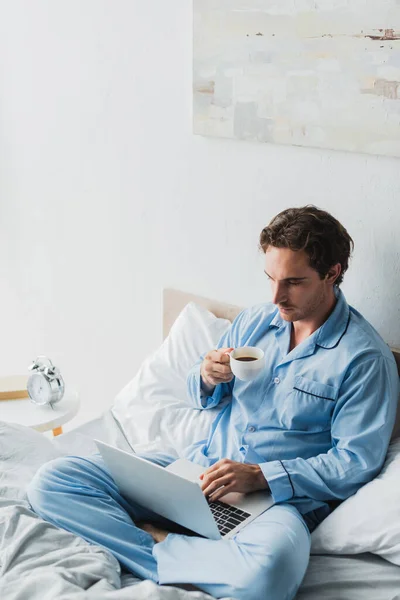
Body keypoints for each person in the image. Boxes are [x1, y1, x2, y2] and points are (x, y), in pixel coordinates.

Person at [27, 206, 399, 600]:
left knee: (267, 577)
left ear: (332, 273)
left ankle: (157, 547)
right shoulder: (254, 322)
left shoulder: (364, 359)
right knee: (51, 483)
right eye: (270, 279)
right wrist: (205, 377)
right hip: (193, 474)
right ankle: (168, 553)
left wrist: (260, 475)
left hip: (274, 505)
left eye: (293, 282)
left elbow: (354, 462)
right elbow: (203, 399)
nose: (276, 297)